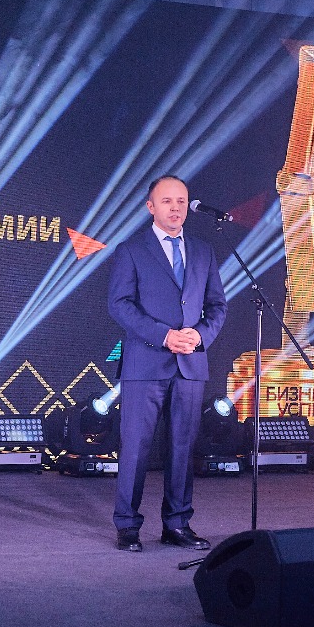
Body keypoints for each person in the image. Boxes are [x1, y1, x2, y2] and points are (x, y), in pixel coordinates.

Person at [107, 174, 227, 552]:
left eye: (181, 201)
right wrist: (163, 335)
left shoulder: (204, 251)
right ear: (151, 207)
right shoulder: (131, 250)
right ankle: (128, 526)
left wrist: (200, 336)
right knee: (136, 448)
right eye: (167, 201)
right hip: (145, 364)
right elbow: (119, 304)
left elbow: (217, 306)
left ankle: (177, 524)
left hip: (190, 365)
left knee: (182, 449)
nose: (175, 208)